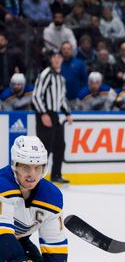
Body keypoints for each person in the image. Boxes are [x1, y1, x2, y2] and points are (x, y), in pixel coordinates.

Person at [0, 136, 81, 262]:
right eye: (25, 167)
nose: (32, 174)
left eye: (38, 167)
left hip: (15, 242)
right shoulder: (2, 185)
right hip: (4, 242)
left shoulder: (51, 196)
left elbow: (54, 244)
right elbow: (2, 232)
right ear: (15, 165)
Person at [32, 49, 72, 184]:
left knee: (60, 145)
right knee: (45, 148)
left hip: (55, 114)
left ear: (62, 59)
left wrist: (67, 113)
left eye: (59, 56)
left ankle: (56, 174)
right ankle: (37, 177)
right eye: (54, 57)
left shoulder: (61, 77)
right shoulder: (46, 74)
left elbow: (61, 99)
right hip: (45, 113)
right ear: (50, 59)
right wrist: (43, 114)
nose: (56, 59)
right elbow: (36, 96)